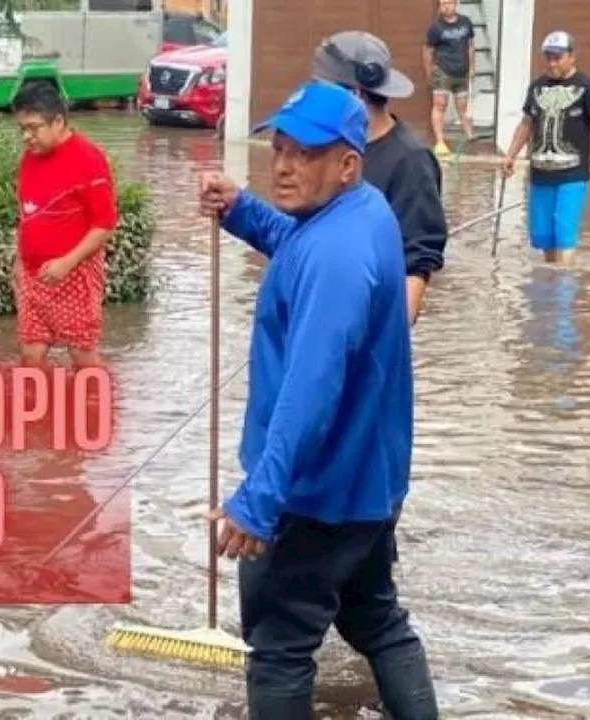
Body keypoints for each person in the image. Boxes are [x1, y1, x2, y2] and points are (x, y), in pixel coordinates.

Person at [199, 79, 439, 719]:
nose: (283, 165)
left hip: (314, 495)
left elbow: (310, 393)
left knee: (279, 648)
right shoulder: (362, 213)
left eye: (304, 154)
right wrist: (245, 211)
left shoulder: (337, 257)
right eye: (278, 148)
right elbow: (300, 247)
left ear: (347, 163)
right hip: (369, 485)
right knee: (378, 622)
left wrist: (260, 500)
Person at [312, 31, 448, 326]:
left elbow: (417, 261)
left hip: (367, 325)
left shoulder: (411, 162)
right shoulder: (333, 148)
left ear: (355, 94)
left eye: (324, 89)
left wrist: (389, 344)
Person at [11, 81, 118, 368]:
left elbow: (105, 224)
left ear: (58, 121)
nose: (27, 136)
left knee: (82, 354)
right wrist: (19, 261)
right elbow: (27, 213)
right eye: (22, 128)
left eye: (34, 127)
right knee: (30, 356)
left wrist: (66, 263)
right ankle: (44, 412)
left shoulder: (88, 159)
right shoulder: (29, 159)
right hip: (32, 276)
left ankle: (94, 409)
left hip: (74, 275)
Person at [501, 31, 590, 266]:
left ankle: (562, 293)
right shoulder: (537, 87)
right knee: (542, 236)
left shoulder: (589, 87)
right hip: (540, 175)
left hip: (572, 175)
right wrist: (510, 154)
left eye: (558, 57)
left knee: (564, 234)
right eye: (548, 57)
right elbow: (526, 123)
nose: (552, 63)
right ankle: (549, 288)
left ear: (572, 57)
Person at [423, 0, 476, 155]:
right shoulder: (436, 27)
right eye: (443, 3)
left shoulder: (466, 22)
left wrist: (472, 68)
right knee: (440, 105)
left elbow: (471, 46)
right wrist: (429, 73)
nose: (446, 6)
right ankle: (440, 142)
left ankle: (470, 137)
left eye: (449, 3)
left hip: (462, 71)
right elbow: (427, 50)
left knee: (463, 107)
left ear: (456, 3)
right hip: (443, 70)